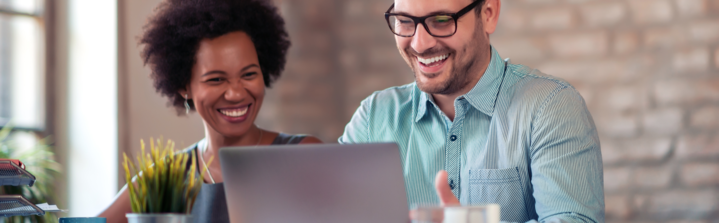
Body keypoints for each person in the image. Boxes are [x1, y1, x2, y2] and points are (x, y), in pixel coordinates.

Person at [339, 0, 604, 222]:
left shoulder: (551, 107)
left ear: (488, 14)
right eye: (405, 21)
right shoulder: (373, 118)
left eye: (442, 20)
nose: (420, 44)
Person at [98, 0, 321, 222]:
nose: (236, 93)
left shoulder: (304, 156)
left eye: (249, 75)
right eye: (216, 79)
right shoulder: (165, 180)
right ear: (184, 87)